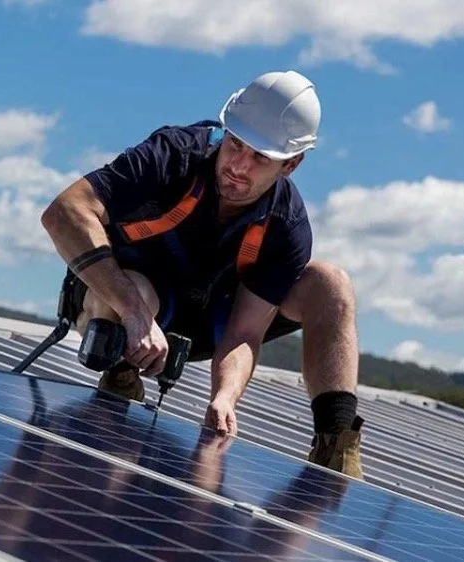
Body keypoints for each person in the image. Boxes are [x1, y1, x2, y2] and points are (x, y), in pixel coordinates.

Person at [39, 70, 364, 479]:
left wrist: (225, 397)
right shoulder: (173, 154)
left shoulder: (286, 226)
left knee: (330, 284)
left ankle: (336, 450)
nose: (238, 166)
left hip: (208, 322)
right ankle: (120, 378)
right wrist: (135, 312)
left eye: (260, 158)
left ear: (291, 164)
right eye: (236, 145)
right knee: (137, 291)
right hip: (121, 304)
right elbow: (64, 212)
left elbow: (245, 333)